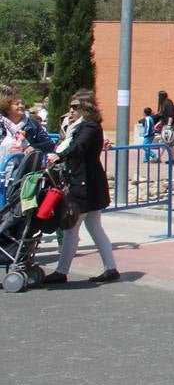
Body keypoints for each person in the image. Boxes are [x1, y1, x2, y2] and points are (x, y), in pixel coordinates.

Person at [44, 89, 119, 284]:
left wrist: (60, 155)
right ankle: (111, 269)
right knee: (94, 227)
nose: (71, 110)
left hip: (85, 185)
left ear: (86, 108)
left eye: (75, 107)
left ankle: (61, 272)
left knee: (71, 229)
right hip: (87, 184)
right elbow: (71, 143)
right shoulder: (78, 126)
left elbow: (79, 147)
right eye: (70, 106)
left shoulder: (90, 127)